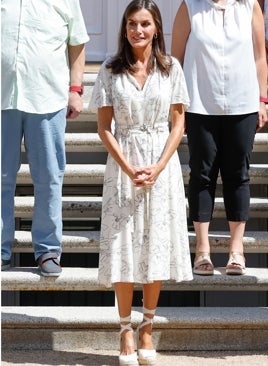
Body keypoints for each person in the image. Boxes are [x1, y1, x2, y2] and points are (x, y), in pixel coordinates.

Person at [90, 0, 193, 364]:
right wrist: (129, 166)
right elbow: (104, 127)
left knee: (155, 248)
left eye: (145, 23)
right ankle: (124, 331)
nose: (138, 30)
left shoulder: (171, 68)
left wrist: (160, 166)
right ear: (124, 28)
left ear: (156, 28)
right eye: (132, 23)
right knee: (123, 249)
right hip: (123, 168)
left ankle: (147, 326)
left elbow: (178, 121)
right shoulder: (109, 69)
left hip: (161, 168)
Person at [171, 0, 267, 276]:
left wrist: (262, 100)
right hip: (200, 103)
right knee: (202, 174)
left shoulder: (250, 6)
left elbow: (260, 57)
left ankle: (236, 251)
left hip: (243, 103)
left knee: (238, 174)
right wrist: (177, 105)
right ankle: (202, 251)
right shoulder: (190, 7)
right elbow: (176, 59)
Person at [1, 0, 89, 276]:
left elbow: (77, 43)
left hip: (48, 98)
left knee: (49, 177)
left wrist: (76, 89)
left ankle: (48, 250)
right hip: (3, 98)